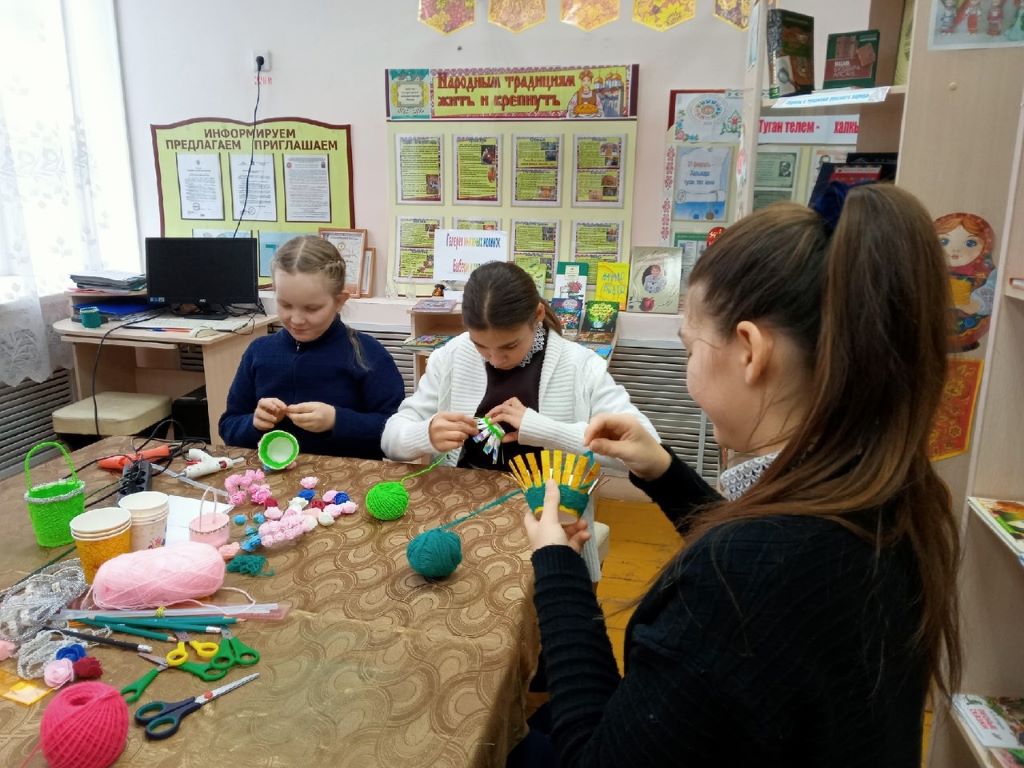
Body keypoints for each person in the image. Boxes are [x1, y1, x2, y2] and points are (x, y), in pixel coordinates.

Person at [516, 184, 962, 765]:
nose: (688, 374)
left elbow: (594, 757)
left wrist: (558, 566)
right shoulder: (885, 491)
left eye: (689, 348)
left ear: (750, 350)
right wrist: (666, 473)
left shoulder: (739, 577)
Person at [381, 260, 658, 580]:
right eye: (480, 345)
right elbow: (390, 438)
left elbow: (647, 449)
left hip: (551, 525)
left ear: (537, 315)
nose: (496, 359)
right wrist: (425, 433)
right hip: (460, 516)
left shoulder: (580, 365)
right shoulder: (451, 356)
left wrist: (546, 431)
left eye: (510, 346)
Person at [219, 236, 405, 460]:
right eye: (285, 305)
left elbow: (398, 432)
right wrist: (254, 423)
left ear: (339, 301)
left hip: (347, 477)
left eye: (312, 308)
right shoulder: (259, 352)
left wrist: (336, 420)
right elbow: (228, 427)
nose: (297, 319)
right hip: (272, 477)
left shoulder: (368, 355)